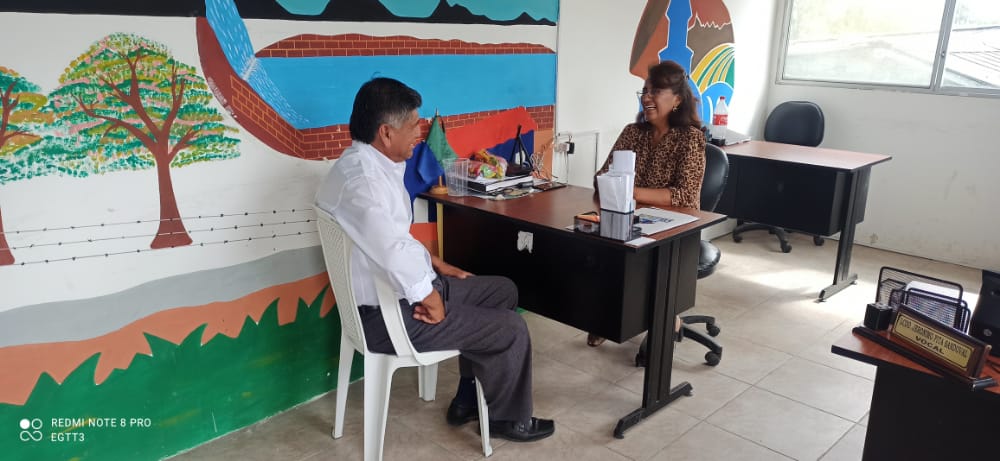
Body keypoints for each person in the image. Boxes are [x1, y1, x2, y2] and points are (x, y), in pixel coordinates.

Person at [314, 77, 554, 442]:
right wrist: (430, 297)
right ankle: (509, 420)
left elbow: (390, 237)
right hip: (388, 316)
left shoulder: (361, 164)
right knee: (511, 328)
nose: (419, 132)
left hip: (392, 296)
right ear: (386, 132)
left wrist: (436, 264)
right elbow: (392, 251)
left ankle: (468, 397)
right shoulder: (364, 183)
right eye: (413, 125)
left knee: (503, 291)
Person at [587, 60, 707, 347]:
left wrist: (628, 191)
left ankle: (665, 315)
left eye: (656, 91)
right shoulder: (633, 132)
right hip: (629, 220)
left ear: (677, 99)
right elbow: (601, 177)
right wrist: (619, 190)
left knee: (644, 262)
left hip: (674, 231)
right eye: (644, 91)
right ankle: (609, 316)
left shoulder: (690, 138)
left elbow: (684, 195)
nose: (647, 98)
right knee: (593, 248)